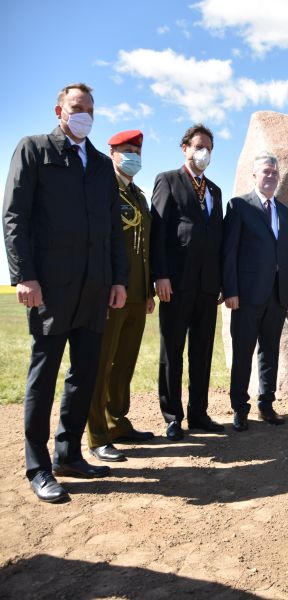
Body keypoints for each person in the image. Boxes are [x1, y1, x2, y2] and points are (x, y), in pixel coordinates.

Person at [3, 83, 127, 502]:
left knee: (83, 374)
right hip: (50, 288)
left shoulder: (97, 164)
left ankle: (68, 452)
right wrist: (24, 275)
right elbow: (15, 217)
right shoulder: (35, 151)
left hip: (95, 289)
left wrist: (117, 281)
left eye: (90, 109)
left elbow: (113, 231)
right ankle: (38, 466)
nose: (84, 115)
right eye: (77, 108)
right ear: (60, 110)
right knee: (45, 375)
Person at [150, 124, 224, 441]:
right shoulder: (168, 181)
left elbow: (218, 240)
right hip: (176, 284)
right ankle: (172, 416)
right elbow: (158, 233)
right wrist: (160, 275)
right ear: (185, 148)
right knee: (173, 351)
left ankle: (198, 412)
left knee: (202, 351)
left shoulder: (215, 192)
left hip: (207, 286)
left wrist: (220, 281)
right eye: (198, 146)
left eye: (208, 147)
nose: (203, 152)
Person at [85, 130, 156, 463]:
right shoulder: (104, 189)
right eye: (127, 150)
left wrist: (149, 291)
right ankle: (97, 434)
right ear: (111, 153)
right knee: (101, 363)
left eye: (136, 151)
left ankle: (117, 421)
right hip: (111, 293)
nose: (133, 157)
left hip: (138, 294)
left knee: (124, 364)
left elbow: (145, 249)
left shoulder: (139, 196)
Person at [223, 151, 288, 432]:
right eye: (266, 172)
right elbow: (228, 252)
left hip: (278, 296)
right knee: (243, 352)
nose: (271, 176)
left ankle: (266, 404)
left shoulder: (285, 213)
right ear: (254, 175)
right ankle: (239, 408)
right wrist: (230, 289)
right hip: (246, 294)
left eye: (275, 173)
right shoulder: (239, 206)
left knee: (269, 351)